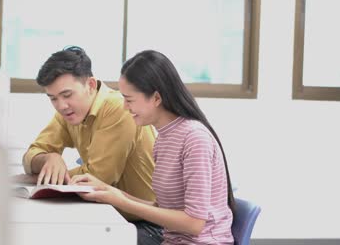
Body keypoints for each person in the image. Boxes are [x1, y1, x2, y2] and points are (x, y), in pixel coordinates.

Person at [70, 50, 235, 245]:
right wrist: (107, 191)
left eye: (129, 100)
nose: (124, 107)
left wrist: (123, 202)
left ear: (156, 98)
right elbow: (163, 208)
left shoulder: (194, 138)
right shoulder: (165, 137)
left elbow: (194, 223)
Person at [21, 46, 158, 223]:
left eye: (67, 94)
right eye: (53, 98)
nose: (61, 105)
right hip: (108, 215)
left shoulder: (118, 108)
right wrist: (49, 159)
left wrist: (42, 176)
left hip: (146, 224)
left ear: (91, 85)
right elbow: (33, 153)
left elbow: (96, 179)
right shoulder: (68, 112)